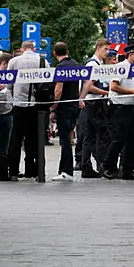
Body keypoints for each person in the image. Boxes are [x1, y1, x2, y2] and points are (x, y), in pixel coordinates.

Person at [102, 43, 134, 180]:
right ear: (131, 54)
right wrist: (131, 92)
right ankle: (108, 167)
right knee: (118, 139)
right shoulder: (121, 67)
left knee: (133, 140)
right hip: (119, 108)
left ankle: (128, 170)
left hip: (132, 107)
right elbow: (114, 86)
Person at [6, 40, 47, 180]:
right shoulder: (42, 61)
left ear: (22, 49)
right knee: (34, 139)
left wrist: (12, 100)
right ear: (33, 49)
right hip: (36, 106)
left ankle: (13, 172)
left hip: (18, 105)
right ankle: (32, 171)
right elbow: (47, 82)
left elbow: (9, 83)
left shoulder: (14, 61)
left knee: (16, 140)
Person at [79, 39, 111, 178]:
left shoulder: (98, 64)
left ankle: (86, 166)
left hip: (93, 103)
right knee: (103, 134)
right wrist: (107, 93)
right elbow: (89, 85)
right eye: (105, 49)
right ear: (98, 48)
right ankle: (101, 165)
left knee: (90, 136)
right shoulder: (93, 64)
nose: (107, 52)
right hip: (95, 104)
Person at [50, 42, 79, 181]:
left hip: (64, 107)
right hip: (74, 105)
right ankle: (64, 169)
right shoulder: (76, 64)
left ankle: (66, 171)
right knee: (69, 137)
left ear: (55, 53)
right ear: (67, 51)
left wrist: (53, 106)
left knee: (65, 140)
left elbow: (58, 89)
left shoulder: (60, 67)